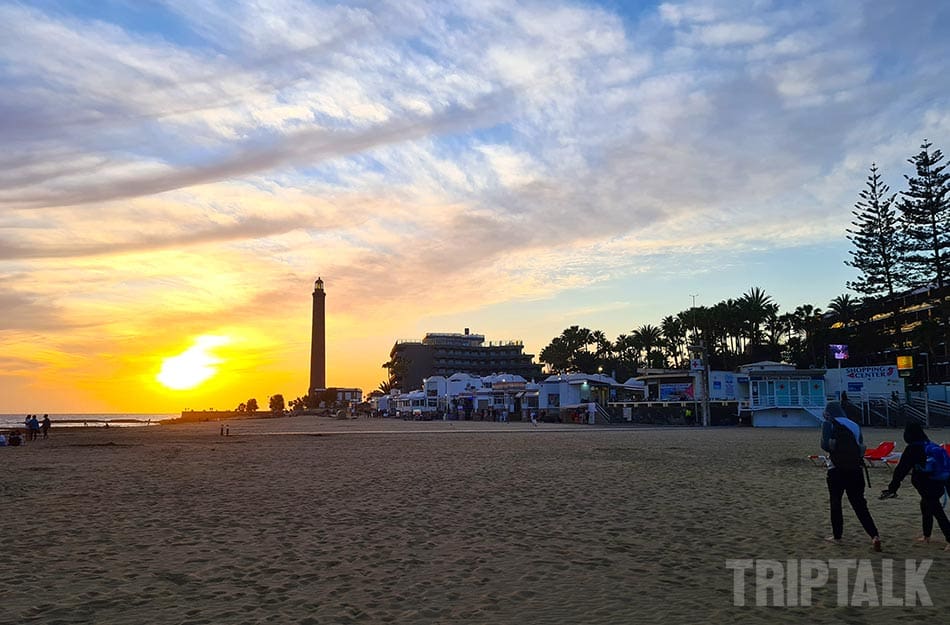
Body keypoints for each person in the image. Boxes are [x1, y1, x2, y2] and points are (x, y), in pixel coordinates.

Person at [820, 401, 882, 551]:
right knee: (860, 504)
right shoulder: (854, 425)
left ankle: (837, 536)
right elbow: (860, 446)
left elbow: (825, 445)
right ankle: (874, 536)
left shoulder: (828, 423)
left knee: (836, 503)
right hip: (855, 469)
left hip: (836, 469)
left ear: (828, 412)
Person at [880, 422, 950, 550]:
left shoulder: (913, 448)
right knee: (926, 506)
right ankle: (926, 535)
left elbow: (901, 470)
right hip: (939, 481)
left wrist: (892, 488)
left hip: (927, 484)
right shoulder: (929, 445)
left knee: (936, 510)